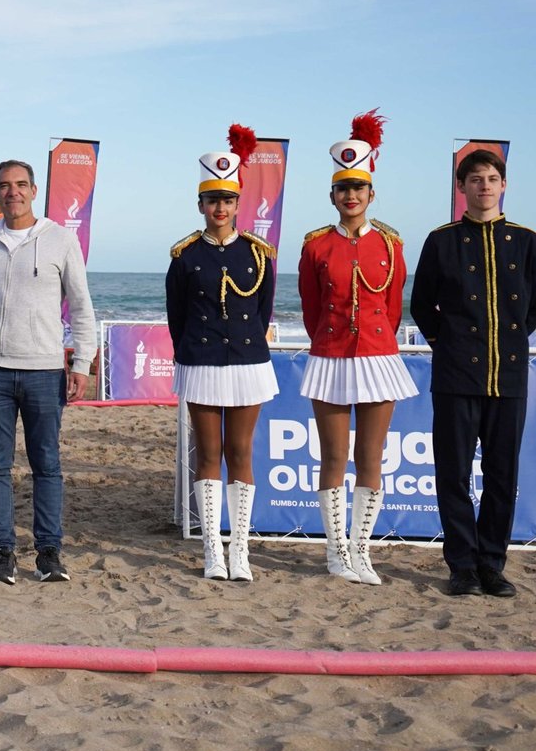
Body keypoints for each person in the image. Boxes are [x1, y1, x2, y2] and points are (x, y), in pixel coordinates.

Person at [410, 148, 536, 598]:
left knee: (502, 475)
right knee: (453, 474)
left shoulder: (527, 241)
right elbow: (421, 306)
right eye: (474, 179)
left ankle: (492, 565)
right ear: (461, 187)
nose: (483, 186)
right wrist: (450, 344)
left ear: (503, 185)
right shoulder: (441, 240)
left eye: (491, 179)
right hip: (455, 376)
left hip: (508, 375)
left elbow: (535, 308)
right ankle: (463, 567)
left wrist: (505, 344)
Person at [0, 159, 96, 585]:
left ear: (34, 191)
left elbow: (81, 305)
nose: (12, 192)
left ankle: (49, 553)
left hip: (43, 371)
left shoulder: (61, 240)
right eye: (4, 185)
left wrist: (81, 363)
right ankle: (2, 552)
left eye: (20, 184)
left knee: (46, 465)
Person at [297, 112, 418, 586]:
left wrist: (374, 341)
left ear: (371, 193)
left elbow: (393, 308)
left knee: (371, 457)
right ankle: (335, 552)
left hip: (378, 357)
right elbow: (311, 310)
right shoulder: (315, 247)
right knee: (332, 457)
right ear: (332, 195)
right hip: (330, 358)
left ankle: (361, 551)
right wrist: (331, 340)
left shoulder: (391, 244)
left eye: (359, 188)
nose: (351, 196)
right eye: (343, 188)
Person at [166, 125, 278, 582]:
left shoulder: (259, 254)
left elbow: (263, 312)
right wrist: (193, 352)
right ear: (200, 205)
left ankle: (241, 550)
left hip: (248, 363)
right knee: (208, 453)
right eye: (212, 200)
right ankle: (213, 549)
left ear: (237, 204)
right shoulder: (185, 256)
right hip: (202, 362)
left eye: (227, 200)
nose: (220, 208)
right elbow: (177, 317)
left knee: (242, 452)